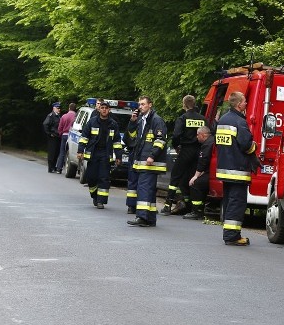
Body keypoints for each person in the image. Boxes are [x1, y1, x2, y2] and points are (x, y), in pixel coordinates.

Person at [215, 91, 257, 246]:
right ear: (239, 104)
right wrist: (255, 147)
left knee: (229, 201)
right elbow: (246, 144)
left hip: (224, 168)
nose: (246, 103)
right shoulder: (239, 121)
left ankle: (229, 232)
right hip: (237, 169)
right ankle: (232, 235)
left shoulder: (223, 120)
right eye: (245, 101)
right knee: (237, 202)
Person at [127, 96, 168, 227]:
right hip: (143, 161)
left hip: (150, 161)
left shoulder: (156, 120)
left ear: (150, 105)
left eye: (143, 104)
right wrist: (132, 122)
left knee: (144, 188)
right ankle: (149, 218)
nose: (140, 106)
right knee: (148, 190)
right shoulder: (141, 120)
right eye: (139, 104)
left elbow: (160, 140)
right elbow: (132, 140)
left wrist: (152, 156)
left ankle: (142, 217)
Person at [161, 94, 205, 215]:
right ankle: (194, 208)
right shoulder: (202, 118)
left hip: (185, 150)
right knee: (193, 178)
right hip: (198, 151)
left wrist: (176, 146)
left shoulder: (183, 118)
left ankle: (167, 205)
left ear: (184, 105)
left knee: (176, 176)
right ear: (194, 104)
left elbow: (176, 135)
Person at [77, 99, 122, 209]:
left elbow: (117, 142)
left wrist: (118, 156)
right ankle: (94, 195)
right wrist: (80, 151)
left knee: (104, 177)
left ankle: (101, 201)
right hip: (93, 153)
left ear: (109, 110)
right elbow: (84, 137)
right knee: (91, 177)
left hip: (106, 154)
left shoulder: (113, 124)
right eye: (102, 108)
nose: (104, 110)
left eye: (106, 108)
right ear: (99, 109)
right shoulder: (92, 122)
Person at [183, 125, 214, 220]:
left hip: (213, 174)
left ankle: (196, 211)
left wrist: (196, 176)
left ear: (203, 135)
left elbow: (203, 161)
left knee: (195, 184)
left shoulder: (207, 144)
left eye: (198, 135)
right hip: (213, 172)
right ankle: (200, 209)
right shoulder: (211, 141)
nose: (196, 137)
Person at [55, 102, 77, 173]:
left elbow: (60, 127)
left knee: (62, 152)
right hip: (72, 135)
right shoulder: (76, 116)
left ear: (69, 108)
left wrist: (61, 133)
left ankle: (59, 168)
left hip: (64, 135)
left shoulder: (64, 116)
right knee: (70, 153)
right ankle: (70, 168)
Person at [42, 102, 62, 173]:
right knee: (52, 152)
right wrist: (49, 133)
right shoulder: (51, 116)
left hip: (57, 137)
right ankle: (50, 168)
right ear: (54, 108)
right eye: (57, 108)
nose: (59, 109)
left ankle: (54, 166)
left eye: (59, 108)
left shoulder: (58, 116)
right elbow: (45, 124)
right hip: (52, 137)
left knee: (56, 152)